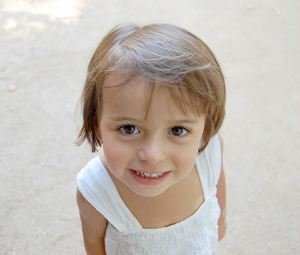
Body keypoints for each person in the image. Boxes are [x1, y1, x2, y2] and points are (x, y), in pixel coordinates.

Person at [76, 23, 227, 255]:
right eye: (128, 128)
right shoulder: (96, 189)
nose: (153, 155)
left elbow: (218, 194)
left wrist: (221, 220)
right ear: (97, 127)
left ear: (204, 131)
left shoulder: (209, 154)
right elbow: (94, 242)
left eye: (177, 130)